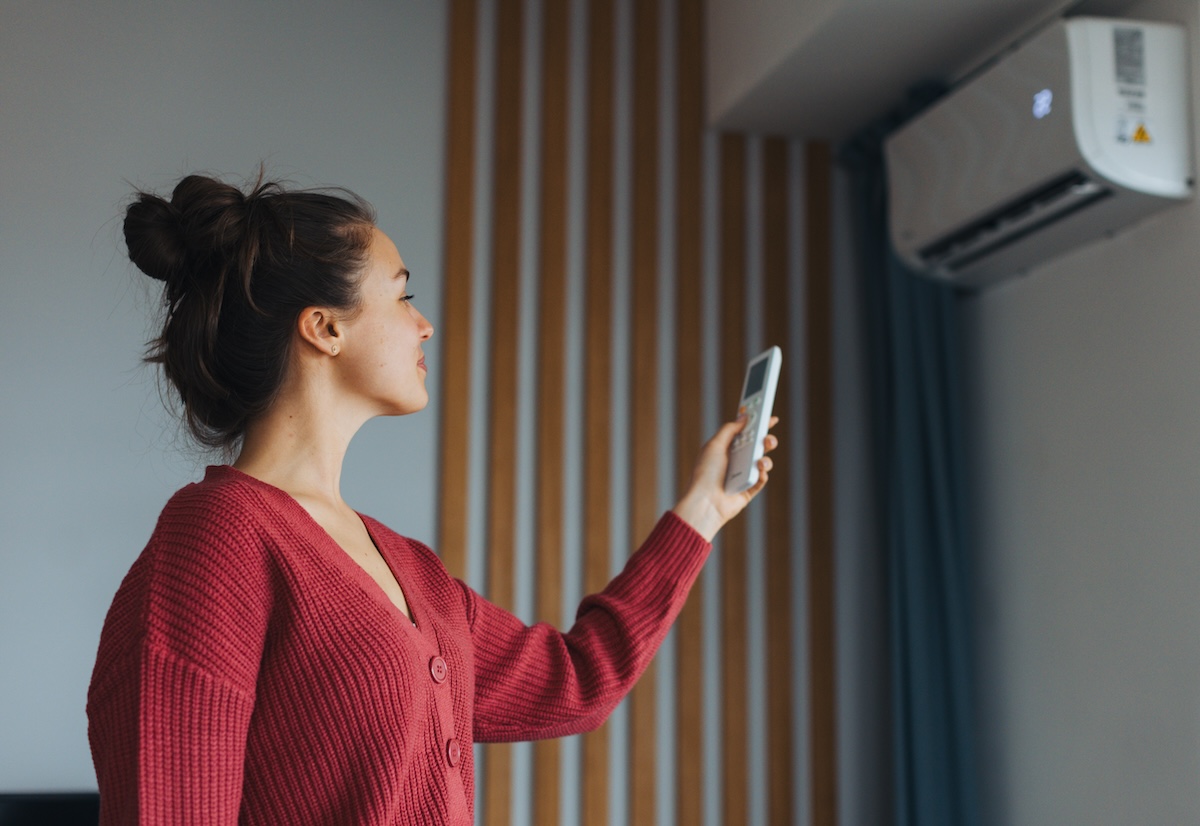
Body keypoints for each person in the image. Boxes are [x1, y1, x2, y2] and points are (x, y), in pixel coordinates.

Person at [87, 173, 779, 825]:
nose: (425, 325)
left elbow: (577, 682)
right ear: (324, 327)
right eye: (403, 295)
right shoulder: (217, 535)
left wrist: (705, 509)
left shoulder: (414, 571)